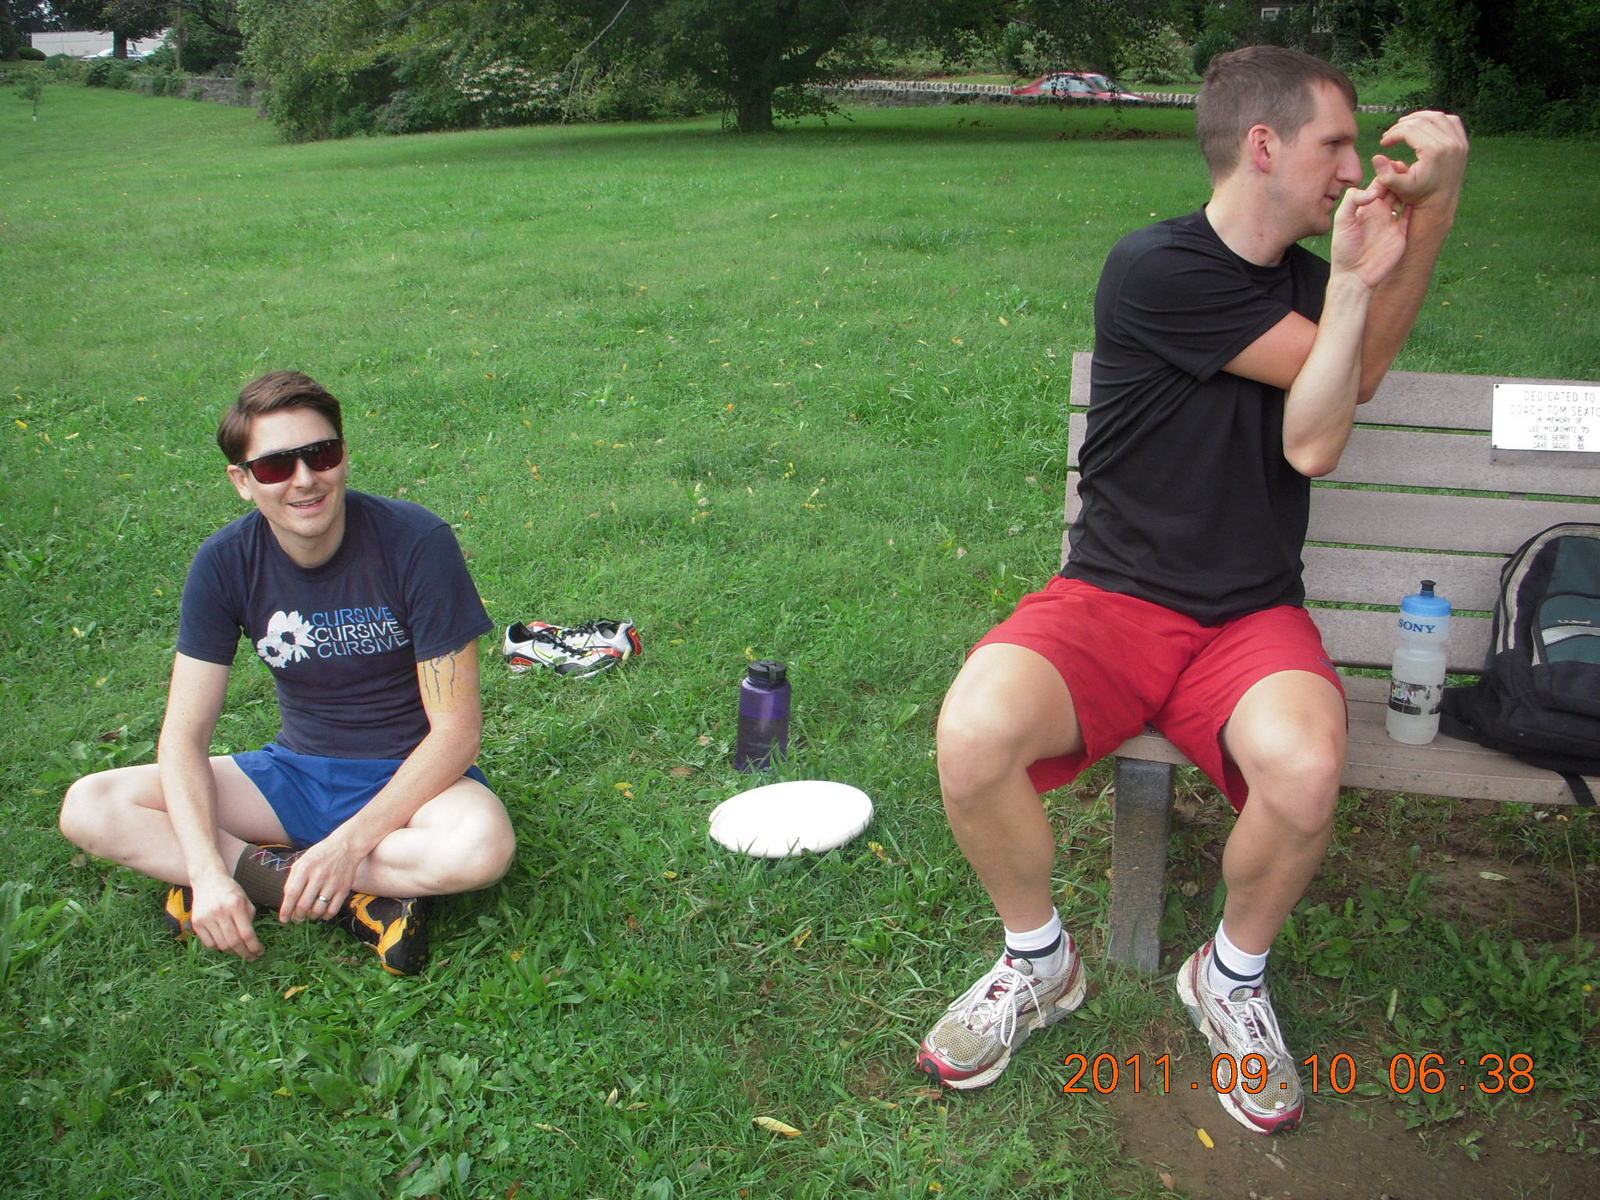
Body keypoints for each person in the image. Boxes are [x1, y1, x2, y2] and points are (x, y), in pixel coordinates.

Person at [916, 46, 1468, 1134]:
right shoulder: (1157, 267)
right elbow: (1330, 398)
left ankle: (1231, 974)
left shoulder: (1313, 281)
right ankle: (1038, 961)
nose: (1352, 169)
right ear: (1263, 145)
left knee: (1304, 771)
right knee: (972, 736)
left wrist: (1427, 217)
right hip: (1112, 600)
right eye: (1335, 143)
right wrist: (1371, 267)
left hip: (1249, 614)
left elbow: (1347, 381)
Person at [59, 370, 515, 975]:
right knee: (91, 805)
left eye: (320, 454)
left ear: (343, 455)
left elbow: (456, 733)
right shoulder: (225, 563)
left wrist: (347, 844)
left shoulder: (415, 541)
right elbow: (184, 736)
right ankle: (341, 892)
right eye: (275, 466)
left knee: (482, 847)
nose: (304, 479)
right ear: (242, 481)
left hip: (413, 782)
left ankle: (268, 870)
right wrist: (205, 870)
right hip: (293, 774)